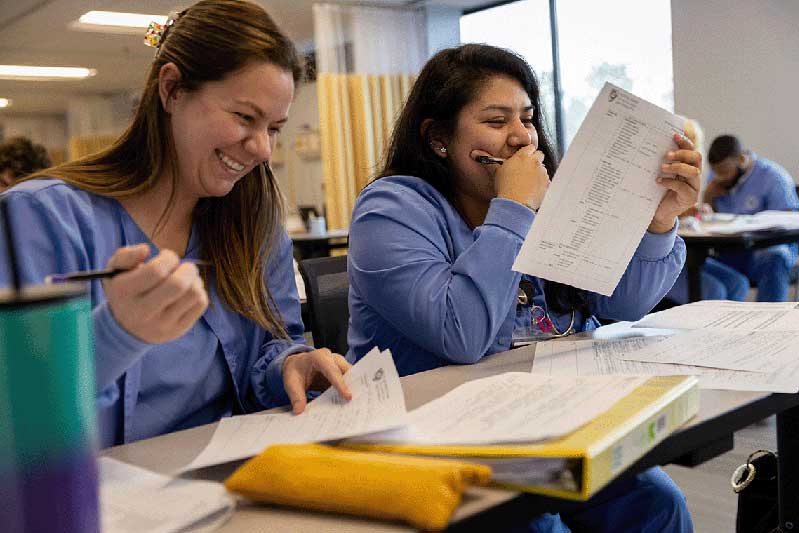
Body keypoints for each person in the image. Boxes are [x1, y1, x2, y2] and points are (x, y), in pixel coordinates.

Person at [347, 44, 697, 532]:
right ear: (438, 138)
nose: (520, 137)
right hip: (439, 441)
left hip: (547, 424)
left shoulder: (546, 200)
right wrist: (513, 208)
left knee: (658, 503)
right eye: (495, 121)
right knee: (538, 528)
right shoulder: (390, 210)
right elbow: (461, 336)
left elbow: (624, 304)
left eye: (527, 118)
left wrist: (659, 224)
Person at [0, 0, 350, 448]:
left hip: (230, 481)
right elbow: (19, 410)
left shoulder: (253, 220)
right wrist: (116, 334)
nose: (263, 149)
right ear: (171, 90)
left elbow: (270, 346)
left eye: (275, 127)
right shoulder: (41, 219)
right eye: (245, 117)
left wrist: (290, 365)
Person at [703, 134, 799, 301]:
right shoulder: (715, 180)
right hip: (730, 249)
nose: (720, 177)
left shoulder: (773, 177)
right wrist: (707, 198)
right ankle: (720, 322)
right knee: (697, 262)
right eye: (716, 172)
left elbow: (789, 220)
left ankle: (767, 322)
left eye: (724, 172)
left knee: (774, 258)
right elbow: (709, 219)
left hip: (764, 251)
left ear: (741, 159)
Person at [664, 121, 750, 304]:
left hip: (685, 258)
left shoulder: (685, 180)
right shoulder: (659, 177)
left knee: (739, 284)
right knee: (715, 291)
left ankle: (726, 333)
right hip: (662, 262)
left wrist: (690, 209)